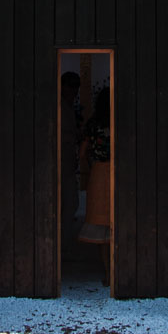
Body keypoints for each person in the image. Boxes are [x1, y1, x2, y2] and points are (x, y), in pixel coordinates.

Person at [76, 86, 111, 249]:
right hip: (120, 172)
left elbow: (82, 153)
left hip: (99, 172)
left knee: (99, 221)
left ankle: (106, 269)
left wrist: (92, 162)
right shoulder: (121, 121)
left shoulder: (93, 123)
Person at [59, 71, 83, 252]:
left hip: (67, 161)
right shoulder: (61, 107)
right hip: (61, 162)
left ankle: (63, 242)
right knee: (68, 202)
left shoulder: (67, 107)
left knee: (70, 202)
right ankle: (62, 243)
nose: (74, 93)